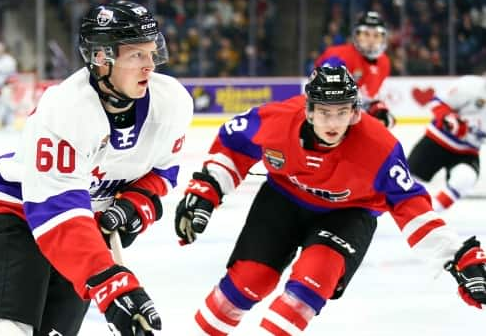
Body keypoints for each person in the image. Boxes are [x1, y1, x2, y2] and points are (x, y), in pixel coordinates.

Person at [174, 66, 486, 335]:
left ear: (355, 111)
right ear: (308, 109)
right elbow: (233, 142)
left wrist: (456, 256)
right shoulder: (278, 121)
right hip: (282, 201)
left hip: (348, 214)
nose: (332, 123)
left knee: (312, 282)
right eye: (324, 111)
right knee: (247, 282)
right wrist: (208, 187)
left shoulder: (379, 148)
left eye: (342, 112)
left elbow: (411, 207)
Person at [0, 0, 193, 336]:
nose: (149, 66)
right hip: (19, 219)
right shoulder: (66, 108)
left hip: (85, 232)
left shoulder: (172, 104)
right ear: (101, 58)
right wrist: (112, 285)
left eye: (151, 52)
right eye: (136, 55)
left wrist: (135, 206)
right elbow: (56, 210)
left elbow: (162, 172)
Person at [408, 75, 486, 212]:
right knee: (404, 184)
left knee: (466, 178)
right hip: (436, 142)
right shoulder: (470, 85)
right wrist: (449, 119)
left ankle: (429, 214)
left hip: (468, 152)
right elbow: (437, 102)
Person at [316, 11, 394, 128]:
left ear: (384, 39)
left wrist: (379, 111)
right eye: (366, 34)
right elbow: (321, 93)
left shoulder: (384, 62)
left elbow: (366, 99)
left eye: (376, 35)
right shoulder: (337, 55)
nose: (371, 40)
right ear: (356, 35)